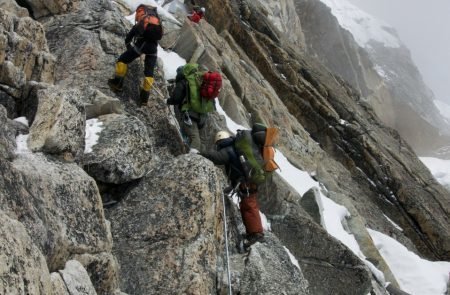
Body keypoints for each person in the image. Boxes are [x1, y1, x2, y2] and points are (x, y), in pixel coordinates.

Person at [200, 131, 265, 248]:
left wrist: (200, 154)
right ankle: (253, 232)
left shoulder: (227, 149)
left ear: (218, 141)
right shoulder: (234, 145)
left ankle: (256, 234)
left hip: (245, 182)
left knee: (249, 206)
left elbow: (216, 157)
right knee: (249, 205)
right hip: (249, 180)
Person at [108, 4, 163, 106]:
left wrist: (130, 49)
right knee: (149, 73)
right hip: (153, 49)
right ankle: (144, 99)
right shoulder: (155, 21)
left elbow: (128, 39)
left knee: (123, 60)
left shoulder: (141, 22)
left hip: (142, 46)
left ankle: (117, 84)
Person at [166, 64, 213, 152]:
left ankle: (192, 159)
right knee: (200, 140)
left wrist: (167, 101)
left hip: (189, 114)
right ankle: (201, 158)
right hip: (202, 115)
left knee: (194, 137)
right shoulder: (199, 81)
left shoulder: (184, 82)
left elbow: (176, 99)